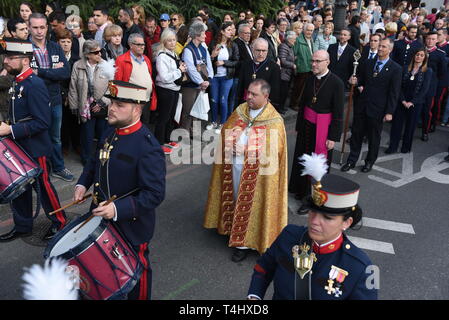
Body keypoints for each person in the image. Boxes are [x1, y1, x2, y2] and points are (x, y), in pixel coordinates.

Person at [73, 80, 166, 300]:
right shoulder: (110, 132)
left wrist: (117, 209)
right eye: (111, 102)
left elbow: (154, 194)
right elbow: (96, 161)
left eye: (119, 105)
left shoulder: (147, 146)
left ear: (137, 109)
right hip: (101, 218)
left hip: (131, 226)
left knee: (136, 274)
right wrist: (81, 183)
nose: (111, 108)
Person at [247, 155, 378, 300]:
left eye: (327, 218)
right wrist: (254, 297)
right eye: (312, 212)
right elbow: (263, 268)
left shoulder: (361, 267)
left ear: (346, 222)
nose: (314, 221)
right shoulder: (289, 236)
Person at [204, 79, 288, 262]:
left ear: (265, 96)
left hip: (258, 175)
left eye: (254, 94)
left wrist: (248, 150)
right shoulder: (241, 110)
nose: (248, 97)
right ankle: (230, 228)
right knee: (234, 197)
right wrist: (230, 142)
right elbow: (227, 129)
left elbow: (274, 151)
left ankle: (243, 244)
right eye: (248, 93)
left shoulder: (274, 120)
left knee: (248, 204)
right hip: (233, 165)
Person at [0, 39, 67, 242]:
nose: (6, 61)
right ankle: (23, 226)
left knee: (44, 188)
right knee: (20, 189)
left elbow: (42, 122)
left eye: (11, 58)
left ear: (26, 61)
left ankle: (61, 223)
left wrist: (10, 129)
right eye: (6, 57)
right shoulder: (18, 81)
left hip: (36, 148)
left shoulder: (34, 84)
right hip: (19, 146)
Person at [289, 50, 344, 208]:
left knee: (316, 163)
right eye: (312, 60)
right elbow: (303, 105)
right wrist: (299, 126)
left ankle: (312, 198)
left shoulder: (336, 83)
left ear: (327, 62)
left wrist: (333, 137)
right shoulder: (309, 78)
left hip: (322, 129)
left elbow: (338, 113)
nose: (313, 64)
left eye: (317, 61)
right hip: (306, 126)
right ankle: (300, 189)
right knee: (302, 157)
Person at [341, 38, 402, 173]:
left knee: (374, 137)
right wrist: (355, 81)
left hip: (378, 109)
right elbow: (361, 79)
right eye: (379, 46)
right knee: (356, 134)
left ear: (390, 50)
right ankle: (352, 160)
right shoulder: (368, 63)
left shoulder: (395, 69)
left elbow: (394, 92)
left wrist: (389, 112)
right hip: (362, 105)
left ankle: (369, 162)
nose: (380, 48)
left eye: (384, 47)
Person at [29, 13, 73, 182]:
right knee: (37, 136)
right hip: (33, 100)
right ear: (30, 27)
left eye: (42, 27)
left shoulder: (55, 47)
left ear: (47, 27)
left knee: (55, 137)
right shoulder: (24, 47)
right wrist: (53, 72)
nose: (39, 31)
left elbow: (65, 72)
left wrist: (40, 72)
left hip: (54, 99)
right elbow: (25, 75)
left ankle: (59, 167)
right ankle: (39, 170)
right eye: (35, 27)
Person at [69, 39, 111, 165]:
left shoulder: (106, 65)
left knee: (103, 135)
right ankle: (86, 159)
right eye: (96, 52)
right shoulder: (78, 65)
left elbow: (112, 88)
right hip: (85, 106)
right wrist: (74, 106)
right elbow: (73, 87)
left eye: (100, 51)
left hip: (102, 106)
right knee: (86, 135)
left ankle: (102, 158)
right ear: (87, 54)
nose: (99, 54)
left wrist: (101, 103)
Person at [386, 49, 432, 154]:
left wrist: (412, 102)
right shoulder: (405, 68)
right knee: (396, 125)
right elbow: (399, 86)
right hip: (402, 101)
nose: (419, 57)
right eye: (417, 55)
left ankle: (406, 147)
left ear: (424, 58)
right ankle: (393, 147)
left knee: (410, 126)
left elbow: (424, 89)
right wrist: (402, 100)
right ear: (414, 56)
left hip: (416, 103)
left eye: (421, 55)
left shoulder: (427, 71)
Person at [154, 29, 186, 154]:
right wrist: (179, 70)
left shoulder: (174, 54)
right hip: (165, 89)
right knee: (163, 117)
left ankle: (167, 139)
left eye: (174, 40)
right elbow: (164, 77)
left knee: (171, 116)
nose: (172, 43)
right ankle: (159, 143)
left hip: (174, 89)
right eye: (169, 40)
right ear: (164, 41)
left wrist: (181, 69)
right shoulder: (162, 56)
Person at [114, 33, 157, 126]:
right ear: (130, 45)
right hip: (131, 102)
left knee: (144, 126)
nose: (142, 47)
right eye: (139, 44)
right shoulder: (121, 60)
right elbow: (117, 83)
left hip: (146, 101)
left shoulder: (146, 59)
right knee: (131, 127)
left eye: (143, 44)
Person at [180, 21, 213, 135]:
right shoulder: (188, 49)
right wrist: (200, 81)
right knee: (188, 111)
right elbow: (190, 68)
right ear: (197, 34)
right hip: (190, 86)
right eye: (203, 33)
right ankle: (184, 135)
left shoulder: (203, 47)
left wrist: (209, 79)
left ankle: (196, 134)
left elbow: (209, 64)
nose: (205, 35)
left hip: (202, 85)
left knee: (199, 110)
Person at [207, 22, 240, 134]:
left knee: (223, 100)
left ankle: (223, 123)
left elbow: (236, 62)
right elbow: (207, 61)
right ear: (222, 31)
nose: (231, 32)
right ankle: (213, 121)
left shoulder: (233, 45)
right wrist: (212, 56)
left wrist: (224, 63)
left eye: (232, 30)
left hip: (227, 77)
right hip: (215, 77)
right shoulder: (213, 43)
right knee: (214, 100)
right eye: (228, 30)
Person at [237, 38, 281, 113]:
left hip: (262, 106)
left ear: (267, 50)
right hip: (245, 103)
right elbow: (240, 87)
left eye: (264, 51)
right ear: (252, 49)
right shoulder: (245, 64)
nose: (261, 54)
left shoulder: (274, 67)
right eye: (258, 50)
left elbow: (275, 91)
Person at [56, 29, 81, 158]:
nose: (66, 44)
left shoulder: (77, 59)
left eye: (68, 41)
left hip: (75, 94)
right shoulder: (54, 58)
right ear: (58, 42)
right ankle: (65, 145)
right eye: (63, 41)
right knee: (63, 122)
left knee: (75, 121)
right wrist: (64, 94)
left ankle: (77, 144)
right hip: (60, 94)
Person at [422, 31, 447, 141]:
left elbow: (442, 72)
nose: (430, 41)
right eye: (428, 38)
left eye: (433, 39)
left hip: (431, 85)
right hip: (418, 83)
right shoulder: (419, 51)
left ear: (436, 40)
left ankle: (425, 131)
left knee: (428, 109)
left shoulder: (440, 54)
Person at [291, 23, 316, 110]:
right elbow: (294, 53)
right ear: (304, 30)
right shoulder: (298, 39)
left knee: (305, 88)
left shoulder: (311, 39)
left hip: (310, 67)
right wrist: (297, 64)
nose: (310, 32)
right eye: (308, 30)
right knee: (298, 88)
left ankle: (301, 103)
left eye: (312, 30)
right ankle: (294, 104)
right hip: (301, 67)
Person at [278, 31, 297, 114]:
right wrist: (292, 65)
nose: (295, 41)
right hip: (283, 74)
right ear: (289, 39)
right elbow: (282, 60)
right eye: (294, 39)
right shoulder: (284, 46)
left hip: (288, 74)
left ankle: (282, 107)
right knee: (282, 92)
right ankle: (280, 108)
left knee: (285, 92)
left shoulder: (290, 47)